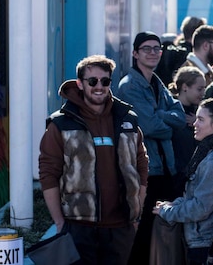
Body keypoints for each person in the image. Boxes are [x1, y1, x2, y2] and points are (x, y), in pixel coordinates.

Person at [38, 55, 148, 264]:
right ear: (80, 84)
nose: (99, 86)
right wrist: (60, 222)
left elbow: (141, 165)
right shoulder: (61, 124)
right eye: (92, 81)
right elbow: (48, 173)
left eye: (105, 81)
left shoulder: (127, 119)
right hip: (78, 228)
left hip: (120, 228)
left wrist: (136, 214)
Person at [116, 32, 184, 263]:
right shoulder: (129, 86)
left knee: (161, 234)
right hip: (146, 172)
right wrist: (170, 123)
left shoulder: (157, 82)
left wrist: (162, 117)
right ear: (135, 53)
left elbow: (180, 114)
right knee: (142, 235)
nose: (153, 53)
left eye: (157, 48)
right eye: (147, 48)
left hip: (166, 169)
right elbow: (149, 126)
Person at [153, 95, 213, 265]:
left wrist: (167, 212)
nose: (194, 124)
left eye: (200, 119)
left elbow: (201, 208)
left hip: (204, 244)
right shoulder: (206, 151)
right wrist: (174, 204)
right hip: (200, 240)